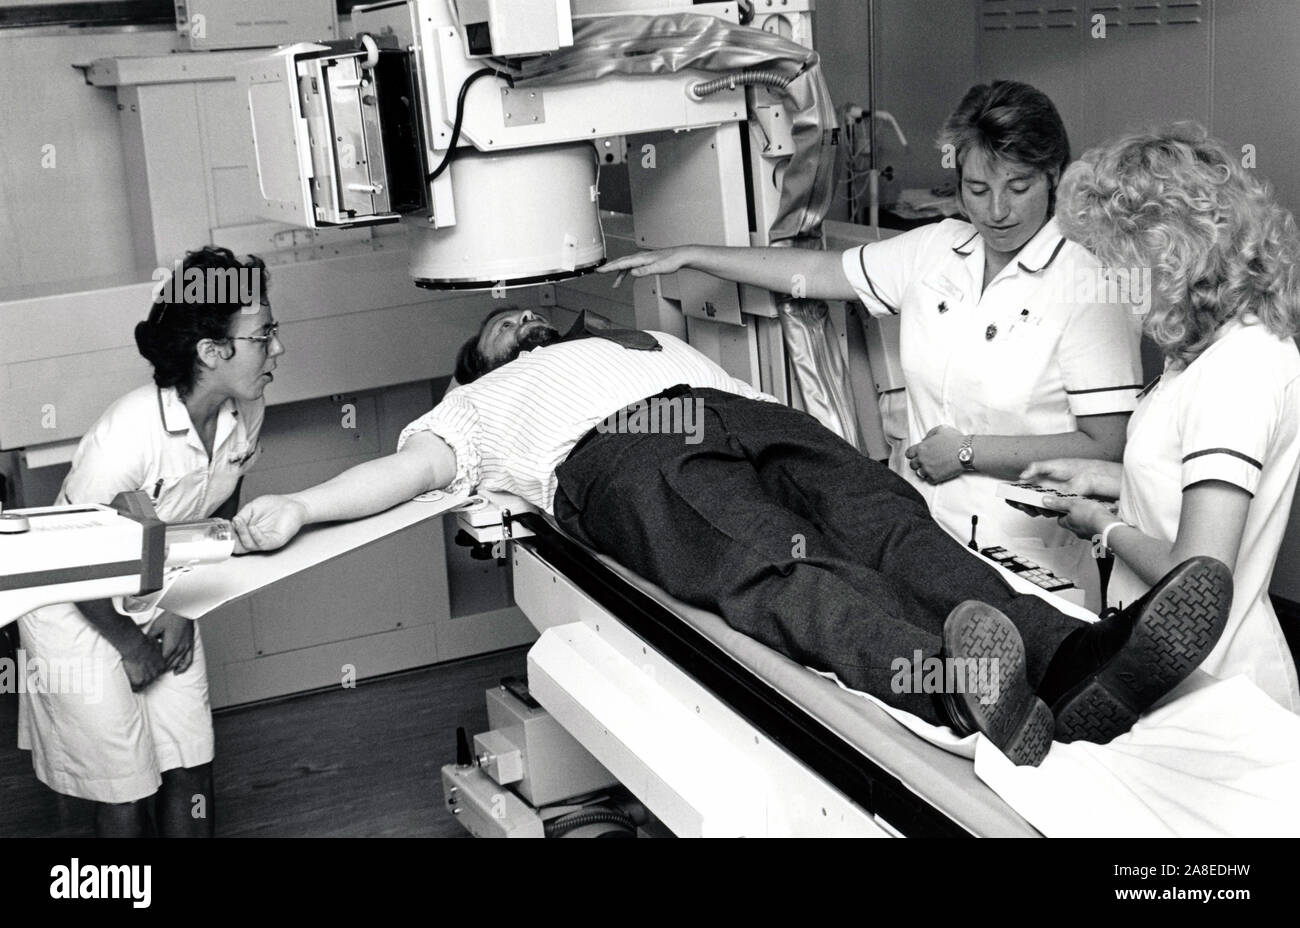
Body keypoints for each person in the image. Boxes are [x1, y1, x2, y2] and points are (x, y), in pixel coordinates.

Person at [231, 306, 1230, 767]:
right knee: (783, 568)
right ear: (477, 363)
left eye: (529, 311)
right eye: (498, 325)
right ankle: (958, 685)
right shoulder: (481, 404)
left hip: (740, 417)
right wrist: (301, 506)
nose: (518, 317)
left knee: (898, 533)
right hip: (619, 453)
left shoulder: (633, 337)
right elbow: (402, 474)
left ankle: (1078, 664)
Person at [599, 80, 1144, 607]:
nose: (996, 210)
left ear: (1052, 177)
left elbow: (1107, 444)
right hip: (921, 532)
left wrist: (967, 452)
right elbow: (817, 272)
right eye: (978, 189)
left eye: (1019, 187)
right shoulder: (939, 249)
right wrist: (693, 254)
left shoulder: (1085, 282)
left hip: (1028, 551)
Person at [1022, 125, 1300, 712]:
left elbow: (1194, 576)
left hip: (1217, 688)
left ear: (1170, 249)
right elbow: (1199, 500)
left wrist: (1101, 526)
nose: (1113, 284)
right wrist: (1109, 481)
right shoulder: (1204, 348)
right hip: (1161, 664)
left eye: (1118, 264)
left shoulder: (1239, 369)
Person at [17, 246, 284, 836]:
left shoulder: (249, 405)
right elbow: (72, 564)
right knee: (124, 786)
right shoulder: (127, 435)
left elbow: (222, 506)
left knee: (191, 762)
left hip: (162, 593)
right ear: (211, 352)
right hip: (75, 608)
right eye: (264, 335)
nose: (277, 349)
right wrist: (129, 645)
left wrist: (184, 606)